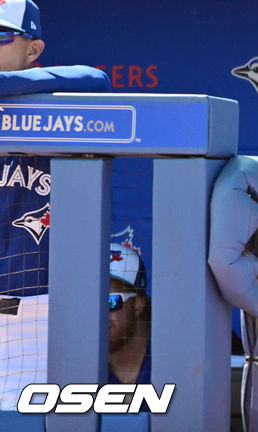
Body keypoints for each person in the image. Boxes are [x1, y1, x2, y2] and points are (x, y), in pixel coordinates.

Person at [0, 0, 110, 410]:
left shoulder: (59, 99)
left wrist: (6, 85)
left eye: (1, 36)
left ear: (33, 50)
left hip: (37, 312)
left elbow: (96, 79)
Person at [108, 243, 150, 387]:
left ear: (138, 304)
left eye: (110, 301)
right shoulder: (76, 366)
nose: (97, 316)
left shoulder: (175, 358)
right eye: (88, 304)